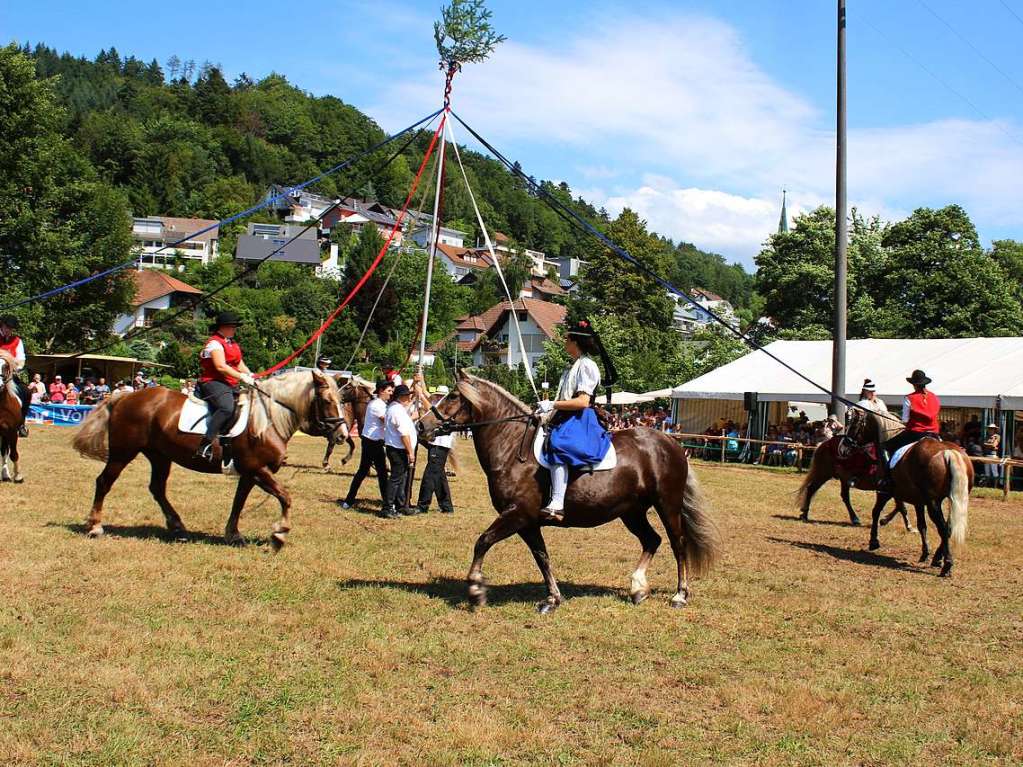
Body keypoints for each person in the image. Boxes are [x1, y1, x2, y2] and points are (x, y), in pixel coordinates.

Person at [537, 319, 613, 520]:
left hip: (580, 418)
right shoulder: (573, 365)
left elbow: (582, 402)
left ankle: (557, 503)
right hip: (566, 416)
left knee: (559, 444)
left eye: (567, 338)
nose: (564, 341)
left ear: (575, 341)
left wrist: (553, 404)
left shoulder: (586, 366)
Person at [196, 311, 255, 463]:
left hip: (230, 383)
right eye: (232, 327)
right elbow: (220, 366)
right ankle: (205, 443)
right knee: (227, 408)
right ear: (222, 327)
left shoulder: (232, 343)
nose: (234, 329)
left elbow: (239, 363)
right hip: (213, 382)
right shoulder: (214, 343)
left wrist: (252, 375)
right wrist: (242, 377)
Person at [878, 369, 941, 490]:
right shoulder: (934, 397)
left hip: (915, 433)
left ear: (914, 384)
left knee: (884, 447)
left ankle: (887, 478)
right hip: (934, 434)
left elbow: (905, 420)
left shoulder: (909, 398)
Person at [340, 379, 393, 510]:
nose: (391, 394)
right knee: (377, 472)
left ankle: (349, 500)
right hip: (372, 442)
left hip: (375, 441)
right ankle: (386, 503)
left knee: (368, 472)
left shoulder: (381, 404)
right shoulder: (377, 405)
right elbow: (387, 421)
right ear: (381, 391)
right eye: (389, 391)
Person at [413, 384, 455, 514]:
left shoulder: (446, 408)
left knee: (429, 475)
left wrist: (420, 394)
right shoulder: (439, 403)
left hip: (441, 443)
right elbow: (427, 394)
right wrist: (420, 380)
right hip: (436, 442)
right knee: (439, 476)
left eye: (440, 395)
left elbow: (430, 409)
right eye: (437, 395)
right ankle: (447, 506)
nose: (437, 397)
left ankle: (422, 506)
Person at [381, 384, 417, 519]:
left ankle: (401, 505)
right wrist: (410, 452)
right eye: (407, 396)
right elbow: (404, 434)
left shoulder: (396, 409)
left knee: (402, 478)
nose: (409, 398)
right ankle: (388, 507)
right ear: (401, 397)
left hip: (397, 448)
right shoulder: (397, 411)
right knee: (396, 479)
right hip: (398, 449)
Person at [0, 315, 31, 437]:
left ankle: (21, 423)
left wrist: (15, 367)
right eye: (7, 327)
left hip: (10, 375)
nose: (9, 330)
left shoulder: (17, 341)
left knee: (27, 392)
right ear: (2, 325)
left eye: (11, 328)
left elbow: (21, 360)